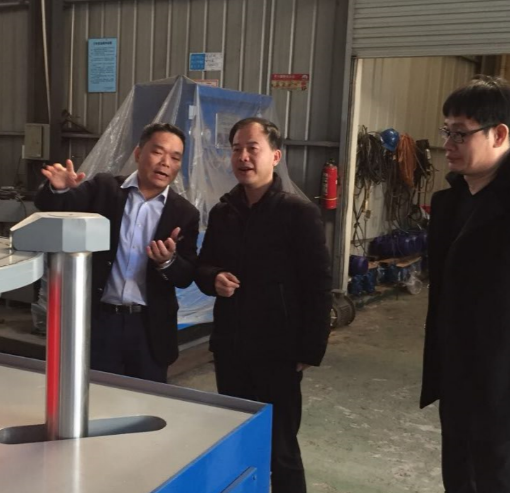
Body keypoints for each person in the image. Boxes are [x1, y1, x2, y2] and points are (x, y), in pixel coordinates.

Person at [422, 75, 510, 493]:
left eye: (460, 133)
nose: (448, 143)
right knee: (459, 482)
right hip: (456, 379)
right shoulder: (450, 201)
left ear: (499, 134)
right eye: (446, 131)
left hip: (507, 387)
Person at [195, 117, 332, 493]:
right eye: (236, 149)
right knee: (236, 439)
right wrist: (214, 277)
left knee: (281, 448)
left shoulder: (298, 213)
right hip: (232, 347)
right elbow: (204, 265)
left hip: (279, 351)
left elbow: (318, 284)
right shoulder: (224, 212)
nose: (243, 157)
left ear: (275, 156)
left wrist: (310, 349)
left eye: (252, 148)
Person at [35, 123, 199, 383]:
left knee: (147, 397)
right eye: (158, 152)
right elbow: (57, 207)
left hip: (149, 328)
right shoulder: (104, 189)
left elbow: (186, 275)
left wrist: (168, 262)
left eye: (175, 157)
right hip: (101, 321)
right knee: (97, 394)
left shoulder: (184, 213)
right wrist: (59, 189)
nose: (165, 163)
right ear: (138, 153)